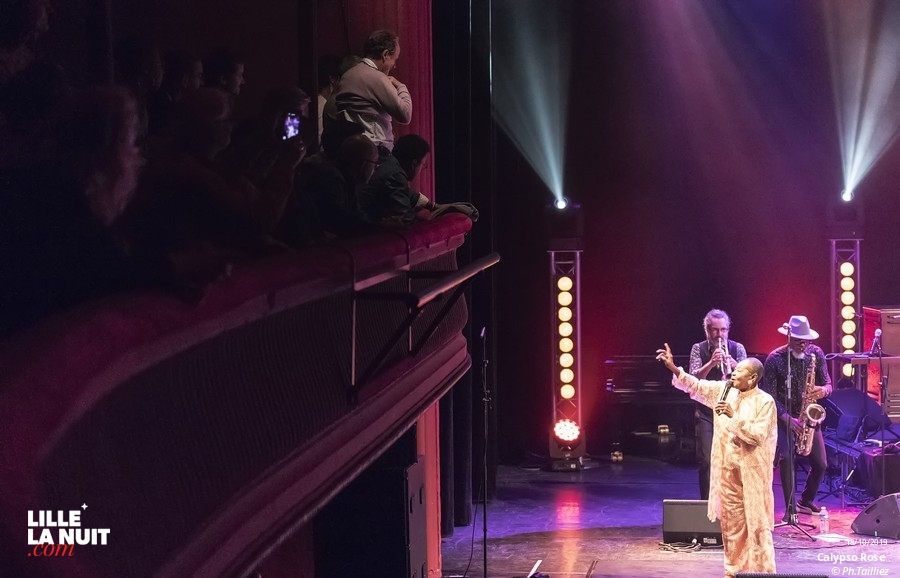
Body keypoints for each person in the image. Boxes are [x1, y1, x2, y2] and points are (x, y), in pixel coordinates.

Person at [657, 343, 777, 577]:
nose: (733, 372)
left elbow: (756, 436)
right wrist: (673, 368)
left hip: (752, 474)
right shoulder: (724, 390)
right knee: (731, 526)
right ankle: (733, 570)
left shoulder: (765, 402)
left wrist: (733, 417)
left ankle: (762, 571)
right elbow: (697, 385)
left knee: (757, 525)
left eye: (739, 370)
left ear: (752, 378)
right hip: (728, 472)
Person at [761, 315, 833, 517]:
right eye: (799, 340)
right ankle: (790, 510)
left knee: (821, 464)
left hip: (807, 416)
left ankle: (806, 500)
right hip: (784, 417)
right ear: (789, 338)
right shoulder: (774, 359)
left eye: (806, 340)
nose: (804, 345)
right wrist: (788, 420)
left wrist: (822, 391)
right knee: (787, 458)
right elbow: (769, 397)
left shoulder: (816, 353)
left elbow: (828, 384)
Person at [689, 309, 748, 500]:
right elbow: (693, 380)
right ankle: (706, 505)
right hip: (706, 412)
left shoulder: (737, 348)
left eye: (723, 330)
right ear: (707, 330)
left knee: (732, 460)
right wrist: (710, 364)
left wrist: (735, 367)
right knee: (706, 460)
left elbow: (749, 383)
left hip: (732, 412)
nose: (719, 335)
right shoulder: (698, 348)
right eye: (715, 330)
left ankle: (731, 504)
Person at [331, 29, 411, 152]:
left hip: (351, 149)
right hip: (375, 152)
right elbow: (405, 115)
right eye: (395, 59)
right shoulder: (378, 78)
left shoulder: (347, 75)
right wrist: (400, 86)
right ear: (385, 54)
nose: (394, 65)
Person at [358, 133, 434, 226]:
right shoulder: (395, 174)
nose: (422, 169)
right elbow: (404, 218)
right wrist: (417, 215)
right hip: (361, 230)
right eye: (423, 164)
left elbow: (406, 193)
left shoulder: (389, 162)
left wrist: (431, 205)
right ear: (414, 164)